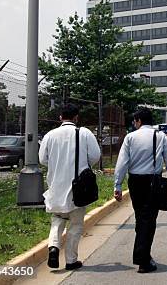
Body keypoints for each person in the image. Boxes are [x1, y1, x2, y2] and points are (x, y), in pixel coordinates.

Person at [114, 107, 167, 273]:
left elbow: (122, 163)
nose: (134, 124)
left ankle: (141, 254)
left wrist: (118, 184)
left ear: (139, 121)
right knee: (149, 219)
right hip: (153, 182)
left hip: (135, 182)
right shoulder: (160, 136)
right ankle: (143, 259)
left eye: (134, 121)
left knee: (140, 217)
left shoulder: (130, 137)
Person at [39, 103, 101, 271]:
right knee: (76, 224)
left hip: (56, 185)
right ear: (76, 118)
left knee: (57, 219)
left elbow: (42, 160)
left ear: (60, 117)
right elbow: (95, 155)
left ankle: (53, 247)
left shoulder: (50, 135)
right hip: (78, 187)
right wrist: (84, 164)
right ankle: (71, 260)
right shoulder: (84, 133)